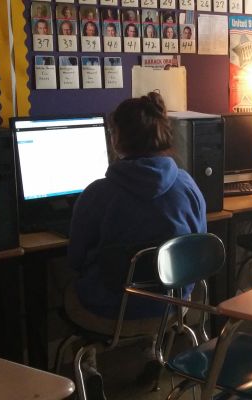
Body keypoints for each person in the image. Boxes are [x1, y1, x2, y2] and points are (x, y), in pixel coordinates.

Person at [65, 92, 207, 399]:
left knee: (60, 280)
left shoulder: (97, 194)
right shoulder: (188, 185)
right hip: (174, 306)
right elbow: (197, 248)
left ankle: (84, 365)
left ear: (117, 138)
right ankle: (149, 350)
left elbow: (75, 259)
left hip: (110, 311)